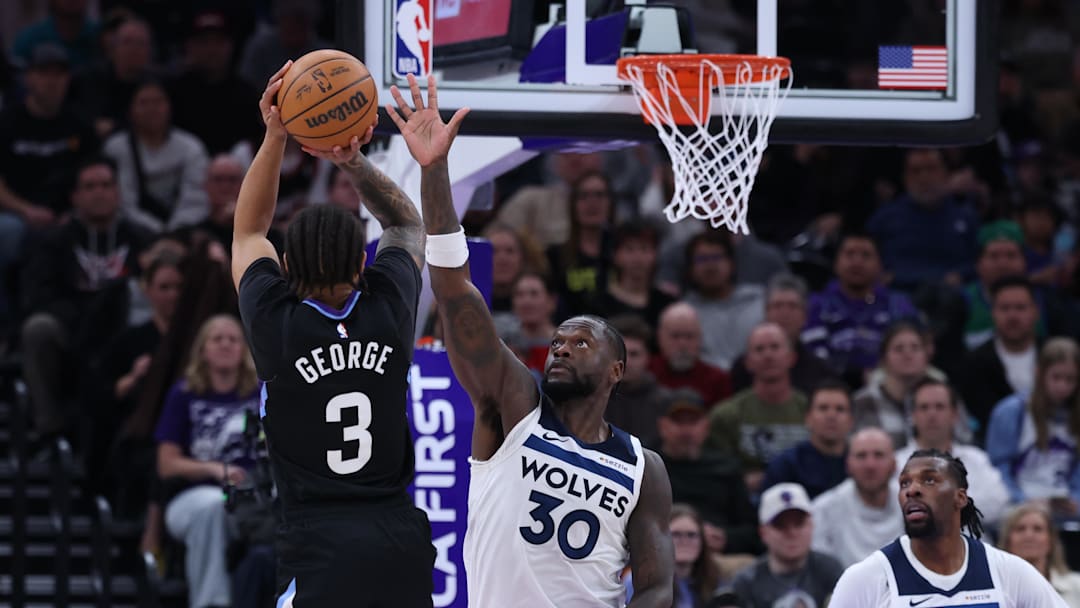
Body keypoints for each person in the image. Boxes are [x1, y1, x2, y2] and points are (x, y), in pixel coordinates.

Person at [395, 73, 675, 607]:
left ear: (618, 369)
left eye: (581, 343)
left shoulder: (644, 467)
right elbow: (456, 294)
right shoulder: (514, 406)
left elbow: (657, 587)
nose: (562, 347)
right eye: (557, 342)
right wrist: (434, 172)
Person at [233, 62, 434, 607]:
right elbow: (406, 227)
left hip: (317, 538)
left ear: (288, 263)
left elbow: (249, 230)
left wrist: (277, 133)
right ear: (361, 260)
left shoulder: (276, 323)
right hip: (397, 535)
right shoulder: (390, 308)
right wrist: (352, 160)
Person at [830, 449, 1068, 606]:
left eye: (929, 480)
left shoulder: (1008, 572)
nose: (912, 490)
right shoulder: (866, 578)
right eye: (905, 483)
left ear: (960, 498)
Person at [154, 314, 264, 608]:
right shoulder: (184, 393)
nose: (226, 345)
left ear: (244, 349)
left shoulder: (260, 393)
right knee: (214, 506)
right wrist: (215, 470)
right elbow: (166, 464)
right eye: (217, 339)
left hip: (252, 498)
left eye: (233, 339)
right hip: (192, 498)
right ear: (203, 349)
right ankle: (211, 602)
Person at [895, 378, 1010, 525]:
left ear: (954, 414)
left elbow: (999, 502)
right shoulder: (897, 463)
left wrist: (930, 504)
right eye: (924, 407)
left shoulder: (976, 458)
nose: (932, 414)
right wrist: (959, 502)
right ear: (912, 415)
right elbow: (897, 511)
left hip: (973, 543)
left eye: (939, 407)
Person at [986, 337, 1080, 514]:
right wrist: (1022, 501)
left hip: (1066, 512)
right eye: (1056, 377)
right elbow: (997, 472)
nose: (1062, 386)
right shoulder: (1011, 412)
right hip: (1018, 507)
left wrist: (1076, 502)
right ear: (1039, 373)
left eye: (1070, 379)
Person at [730, 482, 844, 607]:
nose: (792, 533)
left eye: (799, 523)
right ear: (763, 533)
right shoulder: (747, 583)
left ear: (811, 526)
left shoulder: (831, 570)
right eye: (780, 525)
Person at [811, 427, 903, 568]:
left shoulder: (913, 504)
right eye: (861, 456)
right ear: (848, 465)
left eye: (878, 455)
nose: (870, 465)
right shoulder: (823, 509)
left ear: (894, 464)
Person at [761, 379, 853, 499]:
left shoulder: (865, 463)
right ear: (808, 418)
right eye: (823, 408)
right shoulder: (786, 466)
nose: (831, 416)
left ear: (851, 421)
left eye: (840, 409)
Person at [626, 503, 724, 608]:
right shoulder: (638, 580)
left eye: (691, 535)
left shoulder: (714, 578)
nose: (684, 541)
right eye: (676, 534)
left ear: (702, 541)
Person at [998, 502, 1080, 606]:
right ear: (1007, 540)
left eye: (1038, 529)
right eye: (1020, 529)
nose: (1029, 536)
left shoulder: (1077, 586)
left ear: (1051, 541)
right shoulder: (994, 590)